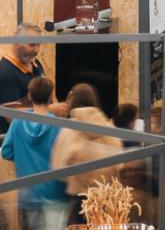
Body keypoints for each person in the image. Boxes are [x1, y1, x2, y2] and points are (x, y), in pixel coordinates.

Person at [0, 75, 67, 230]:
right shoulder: (58, 125)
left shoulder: (18, 122)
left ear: (29, 96)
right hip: (56, 193)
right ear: (51, 96)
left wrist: (23, 156)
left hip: (30, 194)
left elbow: (6, 152)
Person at [51, 83, 121, 221]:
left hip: (79, 199)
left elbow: (58, 167)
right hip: (106, 197)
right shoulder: (108, 127)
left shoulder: (68, 130)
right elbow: (120, 162)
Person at [0, 23, 45, 136]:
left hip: (34, 134)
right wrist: (50, 111)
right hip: (17, 140)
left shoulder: (35, 63)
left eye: (38, 44)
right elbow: (11, 116)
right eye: (32, 45)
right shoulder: (6, 74)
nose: (36, 50)